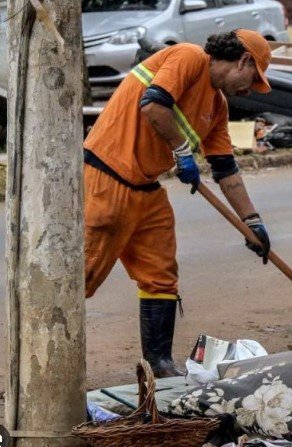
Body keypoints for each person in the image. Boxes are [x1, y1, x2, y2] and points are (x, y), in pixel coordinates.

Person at [82, 30, 272, 377]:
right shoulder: (188, 57)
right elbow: (154, 104)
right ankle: (48, 370)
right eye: (253, 78)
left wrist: (252, 221)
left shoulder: (217, 106)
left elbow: (226, 170)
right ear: (244, 60)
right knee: (79, 277)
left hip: (146, 189)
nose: (250, 89)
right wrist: (183, 151)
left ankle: (160, 364)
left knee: (161, 277)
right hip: (105, 179)